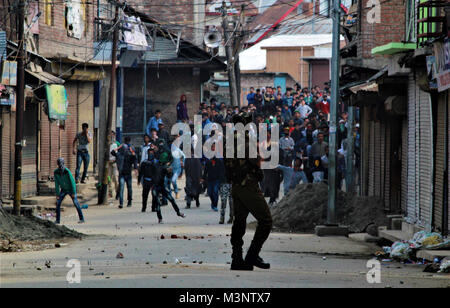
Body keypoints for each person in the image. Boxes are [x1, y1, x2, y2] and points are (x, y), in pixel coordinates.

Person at [225, 114, 272, 271]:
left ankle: (237, 258)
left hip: (236, 186)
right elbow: (255, 160)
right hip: (248, 185)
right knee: (266, 220)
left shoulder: (229, 140)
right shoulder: (245, 140)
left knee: (239, 222)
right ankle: (252, 255)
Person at [151, 156, 186, 223]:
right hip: (155, 187)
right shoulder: (154, 165)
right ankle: (160, 218)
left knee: (171, 199)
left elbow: (169, 176)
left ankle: (178, 212)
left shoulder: (165, 167)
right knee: (157, 203)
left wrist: (170, 172)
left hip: (162, 186)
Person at [54, 158, 85, 224]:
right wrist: (57, 194)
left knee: (76, 203)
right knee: (58, 203)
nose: (60, 167)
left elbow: (72, 182)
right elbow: (56, 184)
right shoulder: (56, 172)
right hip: (63, 190)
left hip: (71, 189)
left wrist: (73, 192)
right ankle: (57, 220)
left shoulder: (67, 171)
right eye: (59, 165)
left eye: (61, 165)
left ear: (63, 164)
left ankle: (81, 218)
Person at [111, 137, 138, 208]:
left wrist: (135, 168)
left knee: (129, 188)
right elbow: (112, 152)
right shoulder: (119, 155)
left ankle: (129, 201)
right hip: (122, 174)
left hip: (128, 173)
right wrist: (118, 147)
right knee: (122, 188)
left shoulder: (129, 155)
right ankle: (121, 203)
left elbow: (135, 158)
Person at [138, 148, 157, 213]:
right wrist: (139, 180)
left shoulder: (156, 162)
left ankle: (153, 208)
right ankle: (144, 207)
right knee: (144, 195)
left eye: (152, 153)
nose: (150, 154)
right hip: (146, 180)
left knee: (154, 195)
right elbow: (141, 172)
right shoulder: (144, 163)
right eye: (149, 153)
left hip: (153, 181)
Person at [108, 131, 120, 199]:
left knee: (115, 178)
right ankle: (110, 192)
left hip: (115, 163)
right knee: (108, 178)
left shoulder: (117, 144)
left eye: (113, 135)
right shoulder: (106, 144)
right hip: (108, 163)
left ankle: (117, 192)